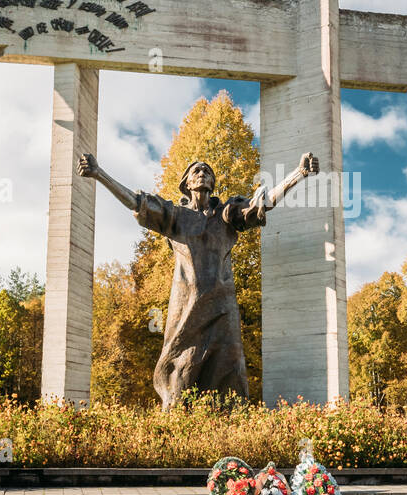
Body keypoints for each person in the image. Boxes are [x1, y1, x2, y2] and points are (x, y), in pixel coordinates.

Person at [77, 150, 319, 408]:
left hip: (223, 309)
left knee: (230, 375)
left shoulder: (227, 214)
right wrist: (99, 174)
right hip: (185, 310)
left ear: (213, 184)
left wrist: (298, 174)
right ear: (187, 183)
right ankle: (180, 438)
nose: (203, 173)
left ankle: (233, 438)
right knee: (180, 376)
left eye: (208, 171)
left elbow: (263, 202)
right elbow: (137, 202)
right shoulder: (175, 217)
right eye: (197, 171)